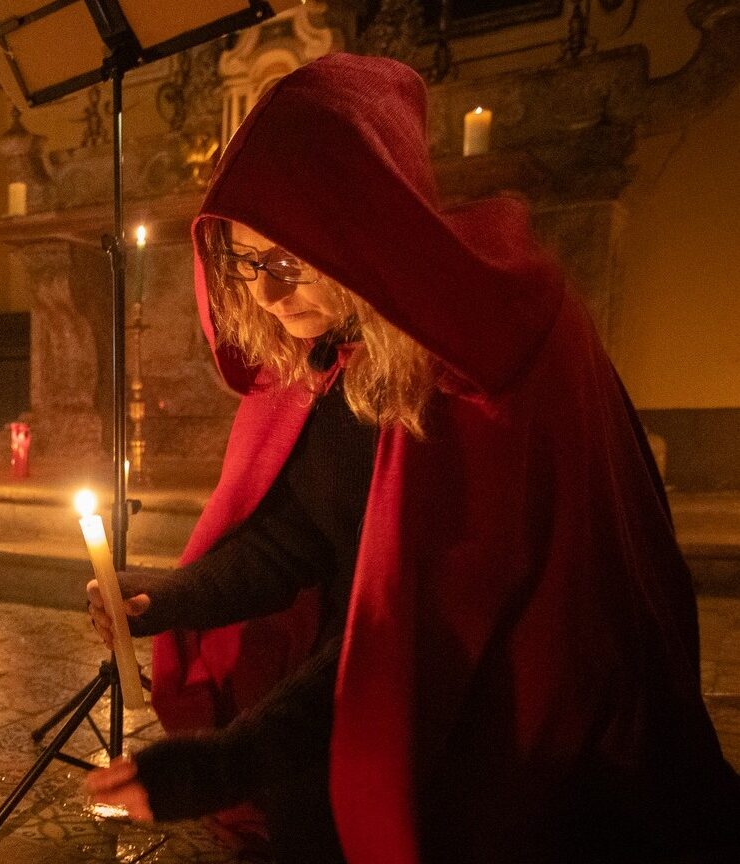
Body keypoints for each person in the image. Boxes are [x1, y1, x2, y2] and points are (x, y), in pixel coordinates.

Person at [84, 53, 740, 863]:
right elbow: (300, 537)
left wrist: (227, 761)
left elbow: (422, 640)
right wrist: (170, 598)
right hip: (351, 691)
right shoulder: (334, 345)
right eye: (247, 261)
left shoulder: (477, 364)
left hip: (497, 730)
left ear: (363, 226)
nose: (265, 291)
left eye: (289, 253)